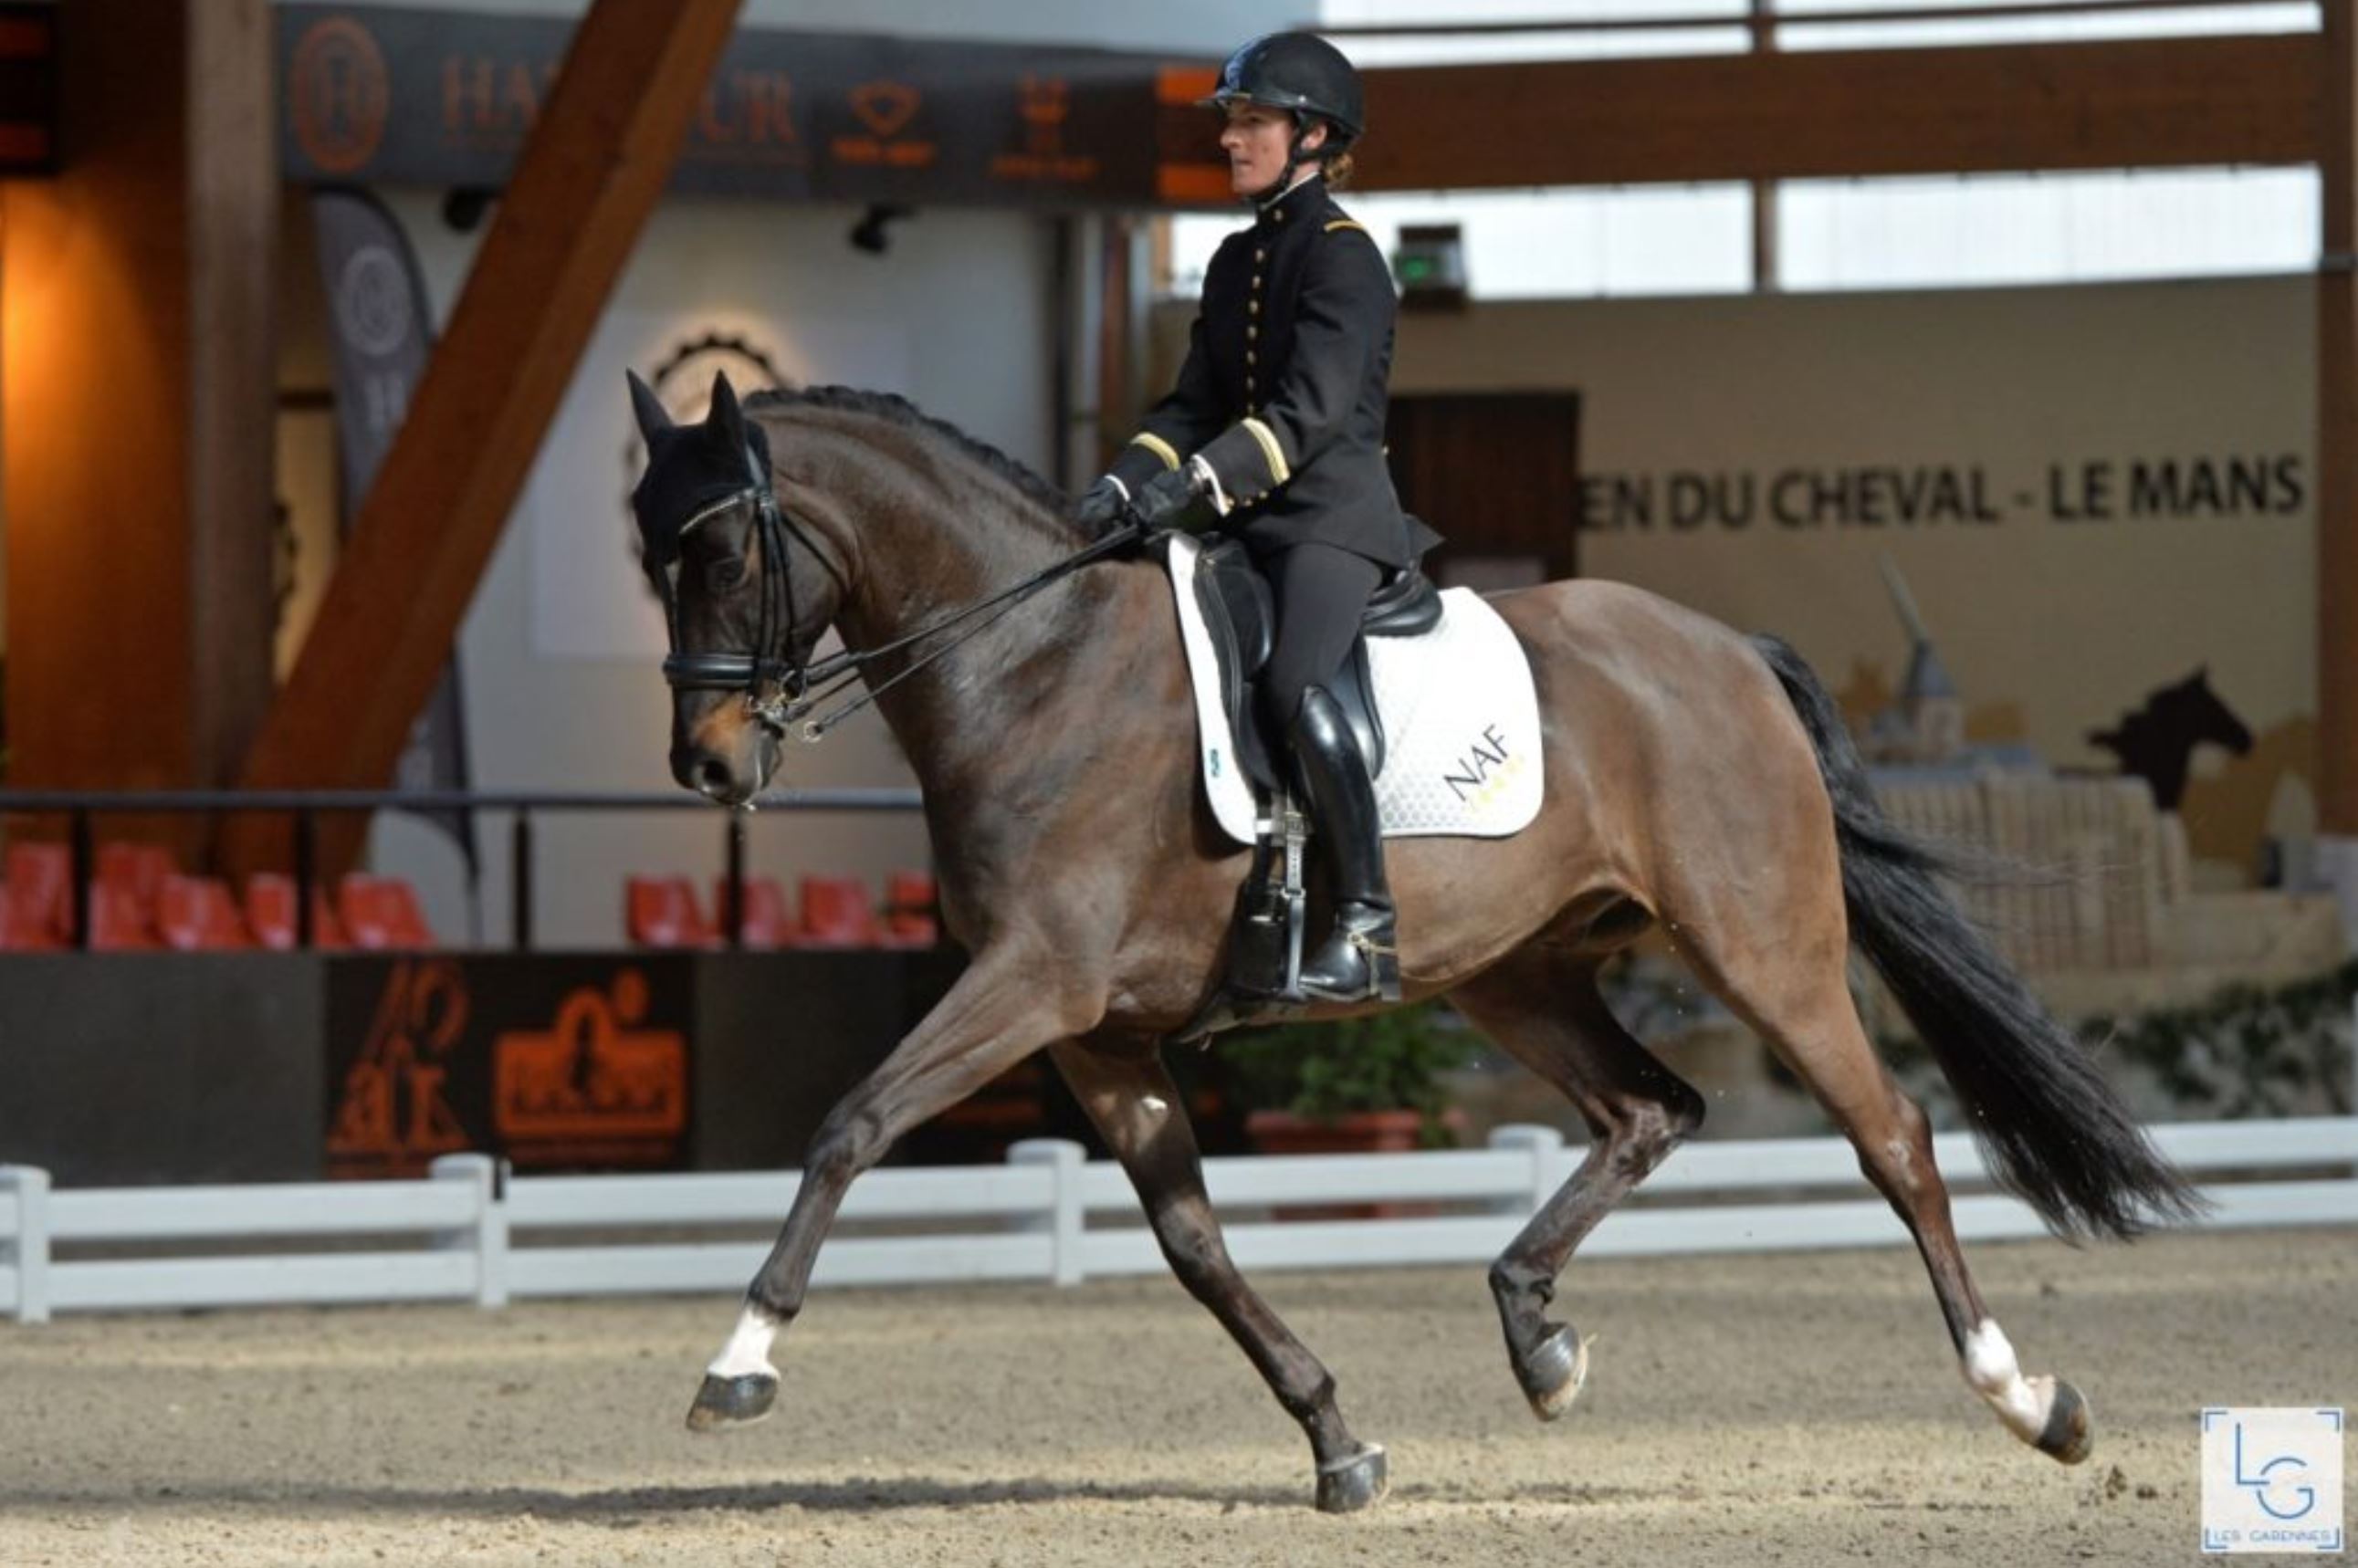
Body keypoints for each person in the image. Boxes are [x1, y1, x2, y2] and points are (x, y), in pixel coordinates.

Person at [1073, 30, 1429, 1004]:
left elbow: (1308, 414)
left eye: (1252, 121)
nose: (1231, 139)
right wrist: (1117, 486)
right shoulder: (1234, 261)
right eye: (1231, 121)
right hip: (1240, 521)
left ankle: (1367, 921)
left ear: (1312, 135)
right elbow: (1192, 402)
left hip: (1329, 521)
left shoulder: (1347, 259)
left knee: (1293, 689)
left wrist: (1197, 483)